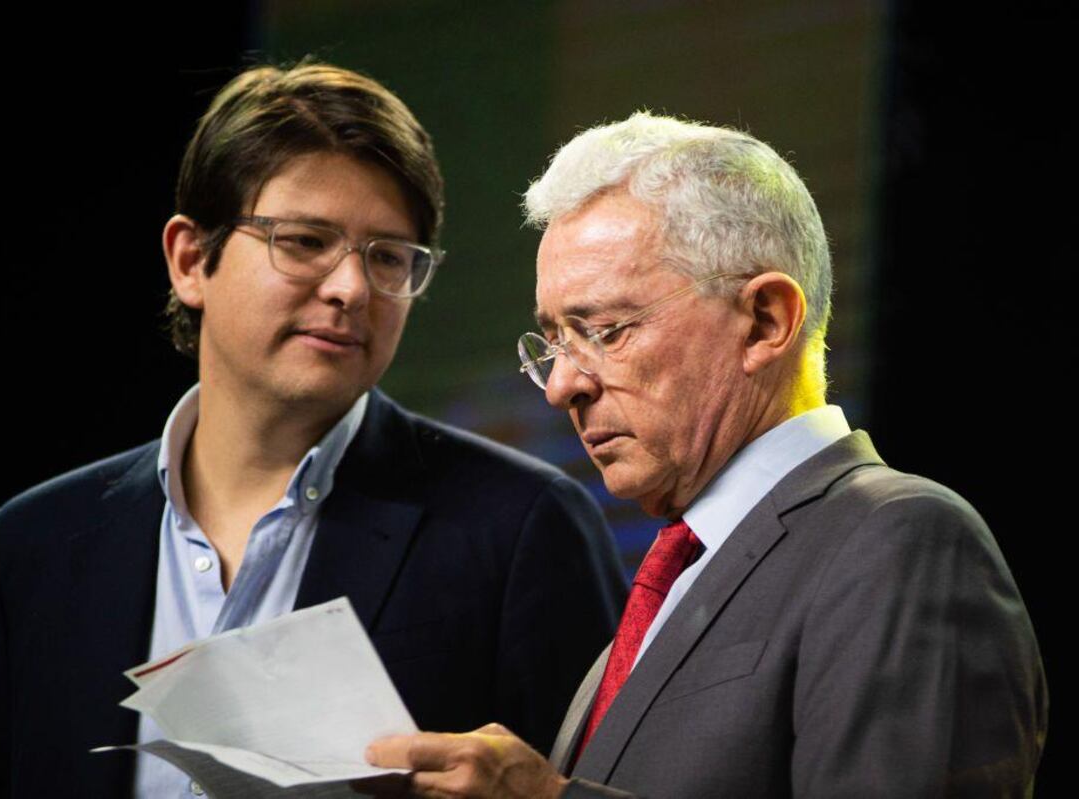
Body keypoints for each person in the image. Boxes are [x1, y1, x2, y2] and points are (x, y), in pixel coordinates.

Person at [0, 63, 626, 798]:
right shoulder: (33, 546)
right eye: (306, 241)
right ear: (191, 260)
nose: (351, 288)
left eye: (388, 258)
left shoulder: (520, 528)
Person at [366, 112, 1047, 797]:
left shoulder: (903, 538)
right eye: (554, 342)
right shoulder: (672, 577)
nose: (561, 385)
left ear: (765, 322)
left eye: (604, 330)